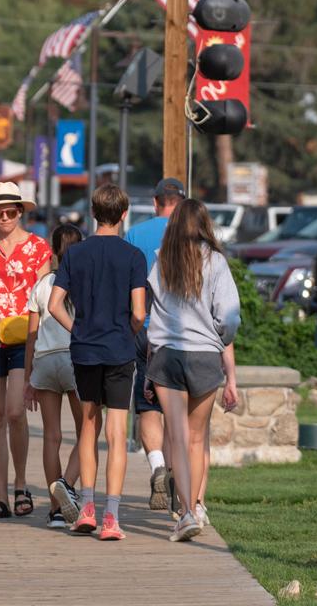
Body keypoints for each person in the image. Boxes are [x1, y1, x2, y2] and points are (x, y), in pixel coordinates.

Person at [48, 184, 147, 541]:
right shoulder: (134, 257)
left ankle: (86, 508)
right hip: (120, 350)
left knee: (87, 428)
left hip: (85, 350)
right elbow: (139, 312)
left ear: (92, 214)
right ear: (124, 214)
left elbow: (54, 304)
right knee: (116, 434)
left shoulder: (75, 254)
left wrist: (78, 329)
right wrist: (129, 332)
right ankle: (111, 518)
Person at [144, 199, 240, 542]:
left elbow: (150, 308)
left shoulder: (161, 260)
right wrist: (221, 337)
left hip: (167, 353)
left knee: (178, 438)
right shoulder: (216, 261)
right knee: (198, 439)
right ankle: (197, 504)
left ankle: (184, 513)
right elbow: (229, 314)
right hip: (203, 354)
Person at [0, 182, 53, 520]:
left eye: (10, 211)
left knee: (16, 411)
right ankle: (2, 495)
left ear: (21, 212)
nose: (4, 217)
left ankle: (21, 484)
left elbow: (46, 297)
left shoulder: (38, 247)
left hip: (24, 335)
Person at [124, 177, 185, 513]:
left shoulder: (135, 234)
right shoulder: (191, 234)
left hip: (144, 328)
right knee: (179, 409)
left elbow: (129, 284)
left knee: (148, 405)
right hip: (184, 333)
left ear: (156, 201)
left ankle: (158, 466)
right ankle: (178, 476)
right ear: (181, 202)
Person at [24, 224, 88, 528]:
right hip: (75, 360)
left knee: (52, 436)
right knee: (86, 431)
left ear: (52, 253)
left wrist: (27, 380)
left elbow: (31, 335)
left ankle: (54, 511)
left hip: (45, 362)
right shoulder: (84, 283)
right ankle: (68, 486)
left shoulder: (42, 285)